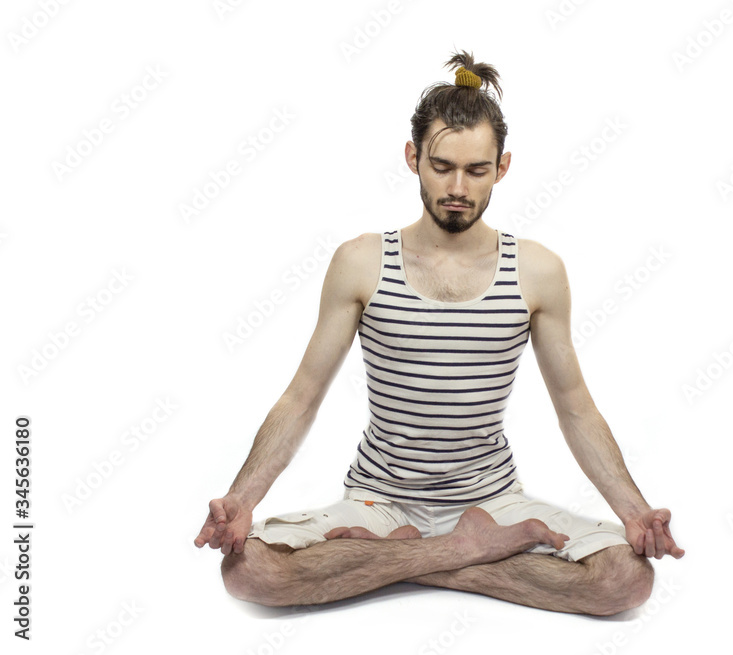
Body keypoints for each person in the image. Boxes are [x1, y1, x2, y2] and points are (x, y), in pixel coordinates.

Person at [194, 50, 684, 616]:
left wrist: (634, 512)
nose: (457, 186)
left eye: (476, 170)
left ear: (501, 168)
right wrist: (241, 498)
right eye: (442, 165)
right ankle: (462, 553)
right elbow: (302, 397)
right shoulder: (361, 261)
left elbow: (575, 409)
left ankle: (404, 563)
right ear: (412, 159)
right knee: (249, 572)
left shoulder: (537, 271)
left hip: (493, 499)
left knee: (626, 581)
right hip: (378, 501)